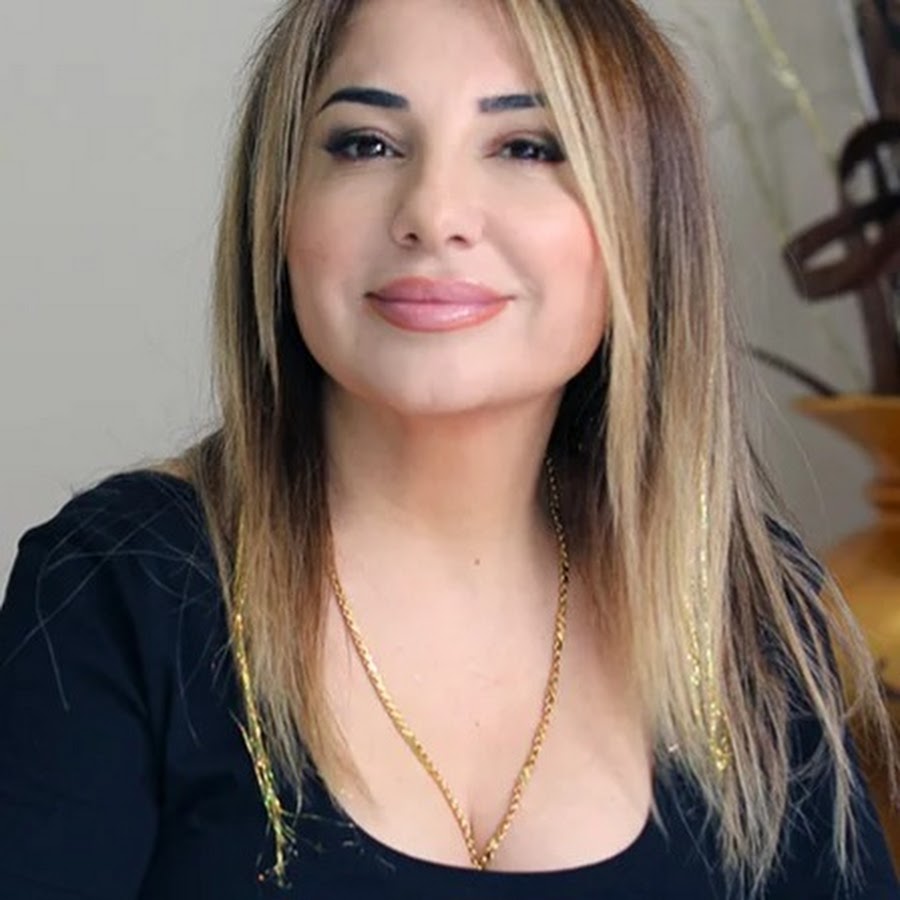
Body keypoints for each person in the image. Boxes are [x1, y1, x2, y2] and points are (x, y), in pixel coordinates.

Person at [1, 0, 897, 897]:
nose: (434, 214)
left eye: (528, 147)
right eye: (366, 144)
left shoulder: (745, 606)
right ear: (279, 210)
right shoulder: (119, 586)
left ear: (647, 222)